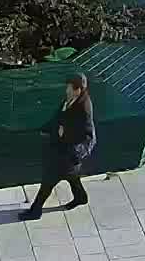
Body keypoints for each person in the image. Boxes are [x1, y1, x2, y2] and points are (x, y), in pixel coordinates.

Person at [20, 74, 95, 220]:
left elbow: (85, 134)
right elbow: (59, 116)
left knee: (49, 180)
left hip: (70, 153)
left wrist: (64, 133)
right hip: (65, 150)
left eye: (69, 87)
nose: (66, 89)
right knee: (72, 177)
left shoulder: (83, 108)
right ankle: (81, 197)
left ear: (77, 90)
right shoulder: (71, 100)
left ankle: (36, 210)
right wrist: (48, 128)